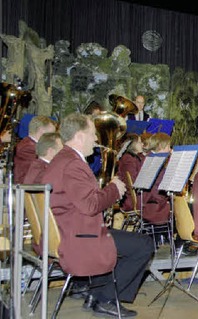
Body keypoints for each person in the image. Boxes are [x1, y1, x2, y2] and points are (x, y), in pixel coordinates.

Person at [38, 113, 154, 317]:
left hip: (70, 230)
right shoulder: (72, 164)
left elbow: (81, 201)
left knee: (130, 241)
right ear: (80, 136)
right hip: (77, 237)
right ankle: (105, 298)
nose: (96, 139)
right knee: (144, 245)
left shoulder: (64, 159)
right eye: (93, 134)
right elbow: (90, 205)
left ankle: (98, 294)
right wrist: (113, 190)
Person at [14, 115, 57, 184]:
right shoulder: (28, 148)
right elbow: (39, 171)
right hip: (27, 191)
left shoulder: (30, 145)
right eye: (51, 134)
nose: (53, 138)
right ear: (41, 131)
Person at [115, 133, 145, 212]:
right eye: (139, 142)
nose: (142, 144)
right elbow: (131, 183)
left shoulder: (131, 157)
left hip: (132, 198)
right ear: (132, 144)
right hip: (131, 201)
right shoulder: (129, 160)